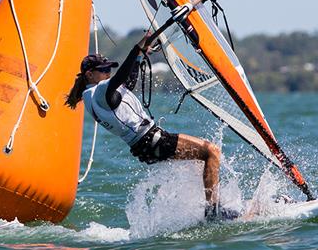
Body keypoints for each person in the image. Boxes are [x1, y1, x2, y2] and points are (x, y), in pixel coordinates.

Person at [67, 31, 235, 220]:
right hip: (152, 140)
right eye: (104, 70)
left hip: (145, 146)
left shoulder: (93, 97)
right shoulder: (99, 93)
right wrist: (136, 49)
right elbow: (120, 78)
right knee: (211, 151)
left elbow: (127, 83)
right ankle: (213, 211)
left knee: (200, 162)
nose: (108, 72)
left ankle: (206, 207)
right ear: (90, 74)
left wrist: (139, 56)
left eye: (109, 69)